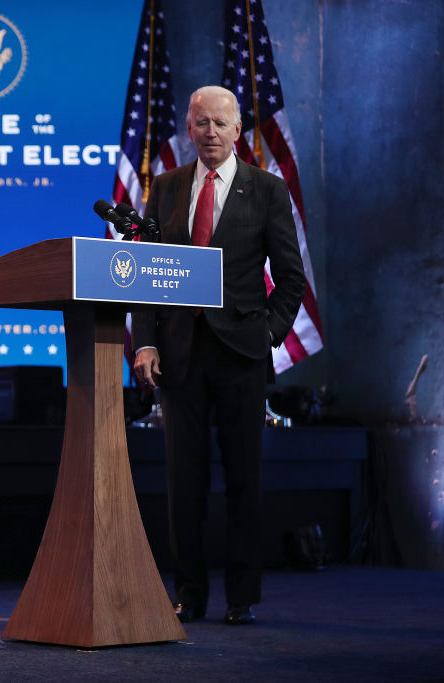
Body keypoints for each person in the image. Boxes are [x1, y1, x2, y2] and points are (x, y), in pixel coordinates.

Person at [131, 85, 305, 626]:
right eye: (201, 122)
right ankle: (188, 593)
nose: (210, 132)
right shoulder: (164, 186)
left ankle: (241, 597)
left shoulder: (268, 190)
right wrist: (145, 340)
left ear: (237, 132)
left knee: (242, 477)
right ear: (189, 128)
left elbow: (292, 280)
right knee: (184, 481)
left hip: (240, 356)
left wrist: (267, 336)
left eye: (220, 124)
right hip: (179, 355)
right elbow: (142, 273)